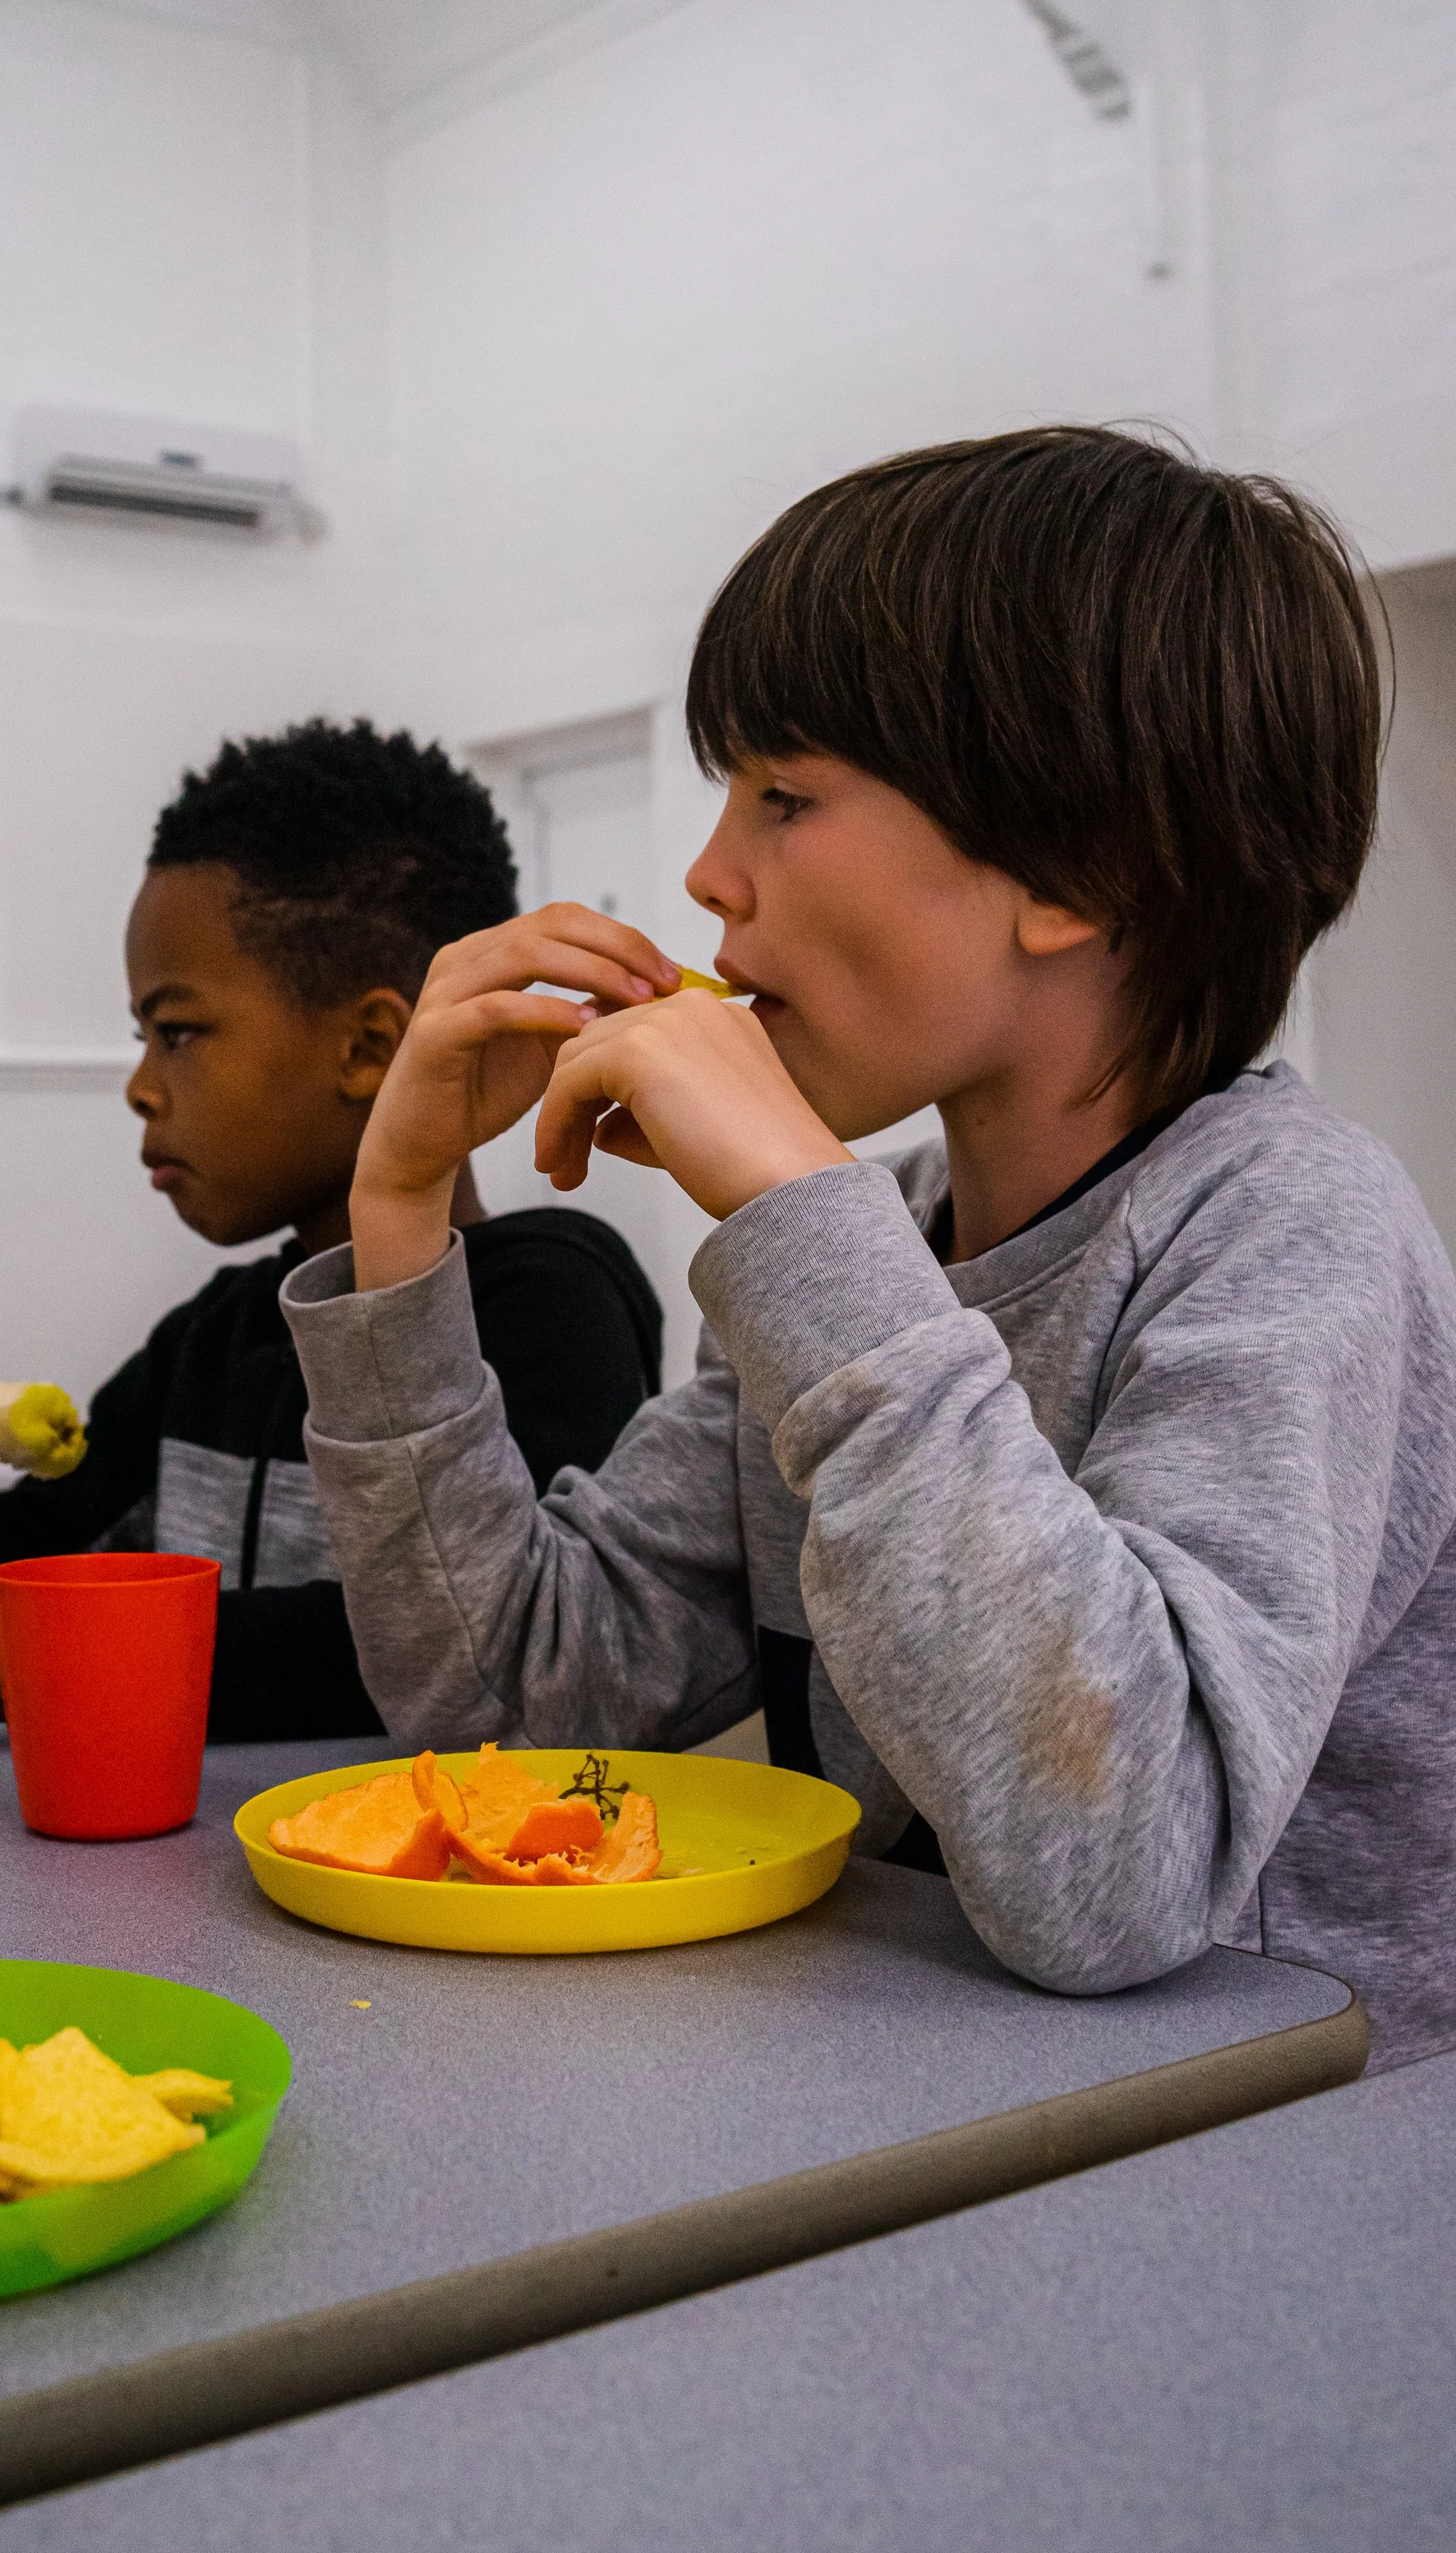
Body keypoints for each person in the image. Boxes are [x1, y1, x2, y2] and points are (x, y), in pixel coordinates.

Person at [278, 429, 1456, 2069]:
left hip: (1266, 2152)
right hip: (920, 2106)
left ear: (1082, 868)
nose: (708, 873)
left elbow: (1117, 1878)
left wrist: (796, 1213)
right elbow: (515, 1704)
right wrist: (399, 1215)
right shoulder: (860, 1243)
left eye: (784, 796)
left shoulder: (1287, 1228)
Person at [0, 721, 661, 1754]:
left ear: (368, 1047)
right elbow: (29, 1563)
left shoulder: (550, 1299)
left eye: (177, 1031)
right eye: (141, 1036)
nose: (141, 1086)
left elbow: (460, 1650)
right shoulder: (215, 1338)